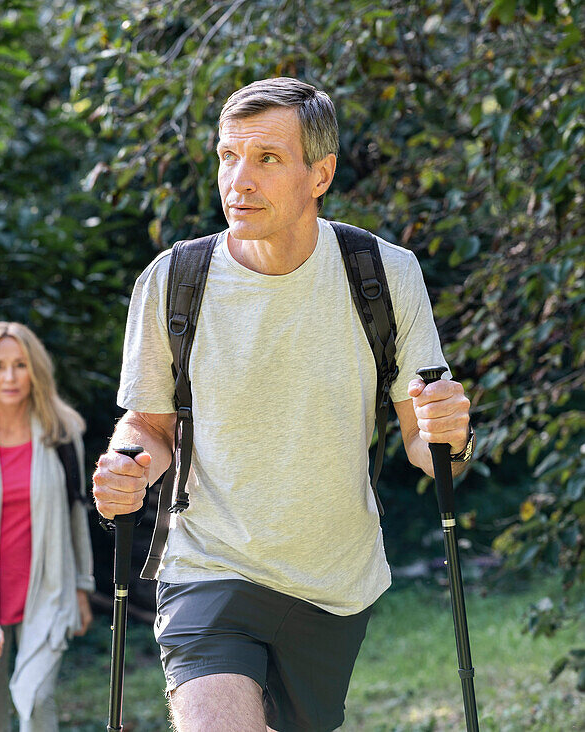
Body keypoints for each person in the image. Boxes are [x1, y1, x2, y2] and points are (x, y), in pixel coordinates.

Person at [91, 77, 475, 732]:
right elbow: (150, 427)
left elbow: (425, 443)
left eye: (266, 158)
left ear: (319, 173)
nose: (238, 180)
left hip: (330, 586)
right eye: (227, 156)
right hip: (208, 568)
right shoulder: (173, 282)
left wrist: (448, 433)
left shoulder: (383, 274)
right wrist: (128, 462)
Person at [0, 322, 95, 732]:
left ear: (35, 370)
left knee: (37, 698)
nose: (10, 377)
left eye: (20, 365)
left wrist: (81, 585)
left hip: (47, 587)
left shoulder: (62, 432)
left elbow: (76, 510)